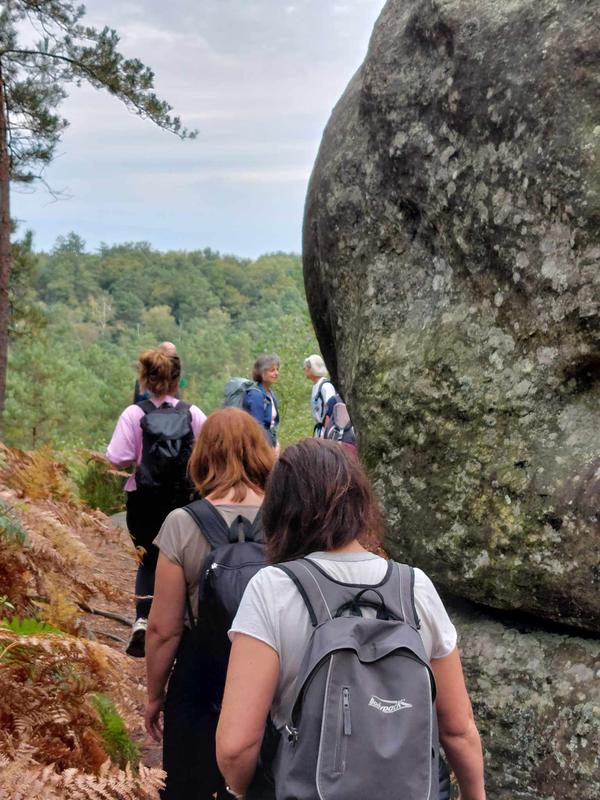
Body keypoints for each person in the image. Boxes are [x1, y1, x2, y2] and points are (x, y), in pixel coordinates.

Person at [217, 439, 486, 800]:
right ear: (360, 502)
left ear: (279, 509)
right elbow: (458, 729)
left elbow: (236, 745)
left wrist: (242, 790)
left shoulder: (273, 589)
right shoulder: (414, 586)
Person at [144, 408, 276, 800]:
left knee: (189, 784)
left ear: (203, 454)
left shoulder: (181, 523)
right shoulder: (287, 518)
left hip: (198, 677)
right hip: (271, 672)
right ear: (260, 452)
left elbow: (163, 629)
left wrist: (155, 696)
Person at [107, 347, 206, 657]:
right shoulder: (193, 413)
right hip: (184, 499)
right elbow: (207, 454)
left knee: (147, 560)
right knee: (183, 561)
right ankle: (184, 623)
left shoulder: (134, 414)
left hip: (144, 500)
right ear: (178, 380)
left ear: (145, 380)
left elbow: (117, 457)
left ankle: (142, 620)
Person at [243, 354, 280, 449]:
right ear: (261, 373)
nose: (276, 373)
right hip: (259, 446)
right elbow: (257, 427)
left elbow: (273, 424)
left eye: (277, 369)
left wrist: (275, 443)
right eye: (272, 370)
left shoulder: (271, 394)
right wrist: (266, 449)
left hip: (270, 442)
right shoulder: (255, 395)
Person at [303, 353, 336, 437]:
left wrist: (327, 432)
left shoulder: (326, 386)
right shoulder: (316, 386)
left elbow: (332, 409)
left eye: (306, 367)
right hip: (320, 432)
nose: (304, 369)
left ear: (312, 368)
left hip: (327, 433)